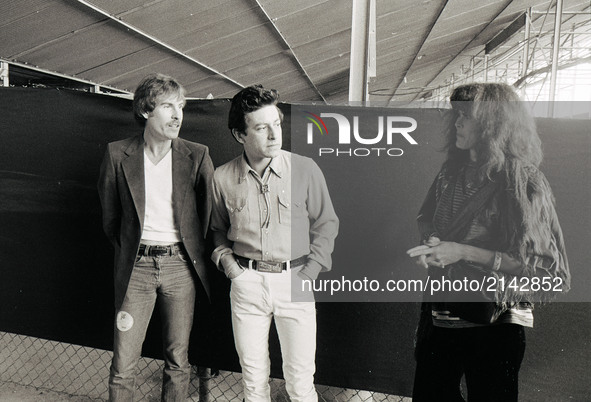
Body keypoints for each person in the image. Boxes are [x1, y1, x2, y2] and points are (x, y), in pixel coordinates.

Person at [407, 83, 570, 401]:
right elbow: (426, 218)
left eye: (465, 116)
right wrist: (433, 243)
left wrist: (461, 251)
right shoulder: (449, 174)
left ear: (493, 123)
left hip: (495, 324)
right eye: (456, 116)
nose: (457, 123)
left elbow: (542, 266)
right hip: (442, 320)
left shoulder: (524, 181)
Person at [210, 85, 339, 402]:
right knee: (253, 383)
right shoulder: (222, 178)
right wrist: (231, 269)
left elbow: (327, 223)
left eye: (276, 124)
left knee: (300, 382)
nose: (273, 135)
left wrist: (308, 274)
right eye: (261, 127)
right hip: (246, 283)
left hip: (295, 280)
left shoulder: (305, 169)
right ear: (240, 134)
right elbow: (216, 229)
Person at [97, 73, 214, 401]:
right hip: (136, 270)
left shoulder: (197, 155)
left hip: (180, 269)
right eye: (167, 106)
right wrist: (134, 252)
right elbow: (111, 221)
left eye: (181, 107)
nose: (178, 115)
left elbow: (206, 217)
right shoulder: (117, 154)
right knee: (123, 364)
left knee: (178, 361)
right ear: (146, 110)